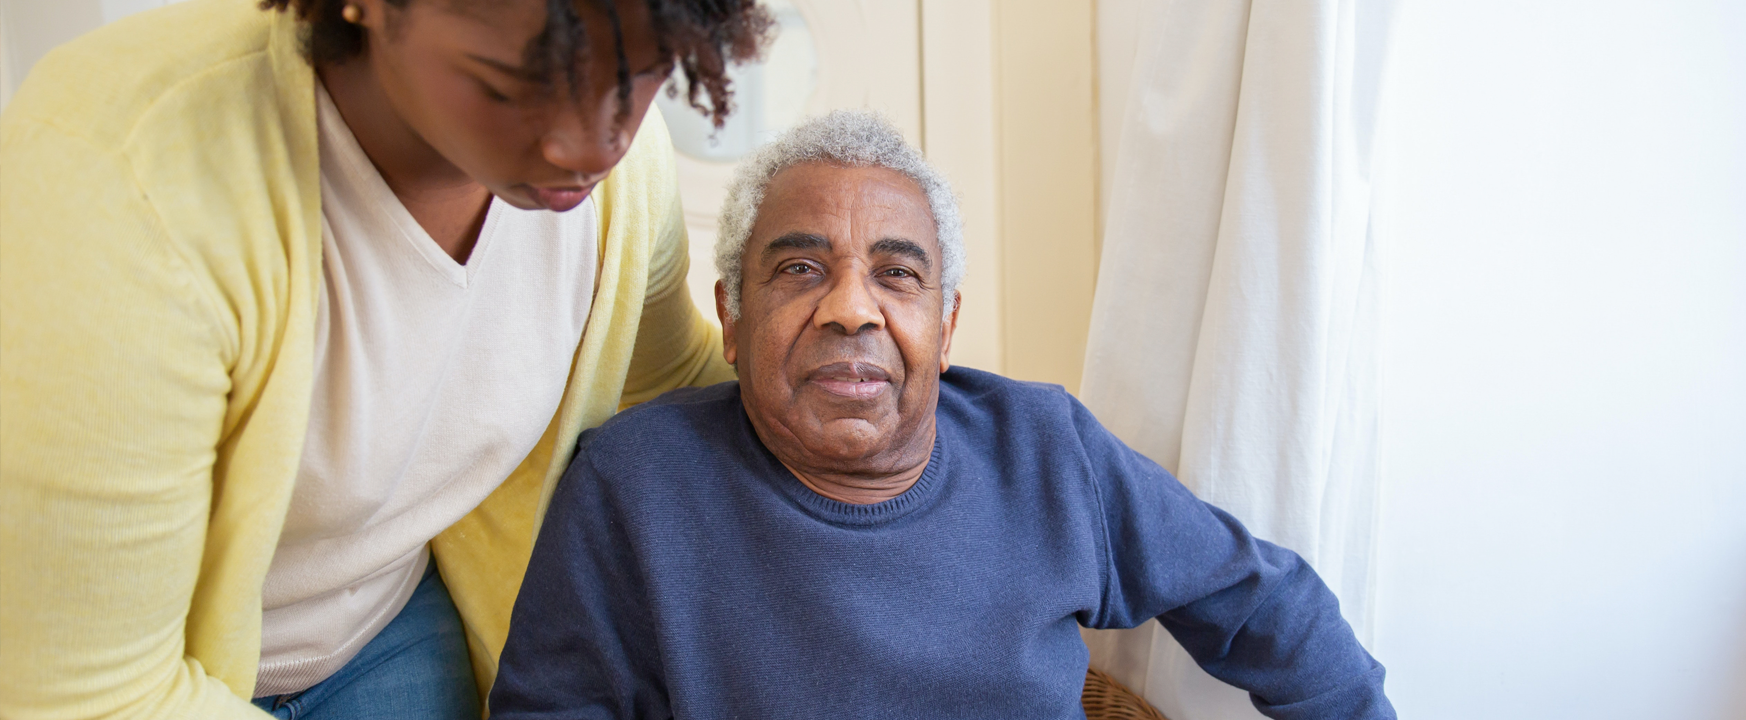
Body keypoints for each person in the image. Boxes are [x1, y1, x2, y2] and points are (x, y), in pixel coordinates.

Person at [489, 110, 1397, 719]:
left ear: (947, 323)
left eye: (897, 273)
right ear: (730, 316)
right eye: (800, 269)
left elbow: (1263, 606)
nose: (852, 309)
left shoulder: (1045, 447)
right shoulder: (634, 483)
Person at [0, 0, 770, 718]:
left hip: (388, 619)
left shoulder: (622, 189)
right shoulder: (128, 186)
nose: (593, 144)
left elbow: (669, 383)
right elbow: (91, 694)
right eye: (509, 86)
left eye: (640, 75)